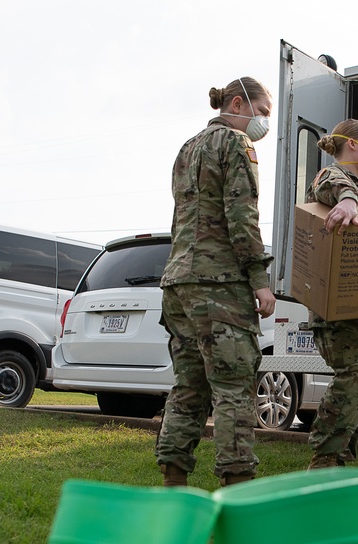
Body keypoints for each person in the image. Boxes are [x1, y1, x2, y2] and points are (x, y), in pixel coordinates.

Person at [155, 77, 276, 487]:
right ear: (238, 104)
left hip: (177, 283)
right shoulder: (236, 145)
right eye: (262, 113)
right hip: (218, 284)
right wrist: (259, 279)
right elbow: (242, 216)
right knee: (233, 387)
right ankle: (236, 484)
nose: (263, 124)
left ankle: (173, 479)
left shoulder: (186, 147)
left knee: (188, 385)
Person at [304, 119, 358, 470]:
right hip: (337, 306)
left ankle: (341, 458)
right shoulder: (331, 177)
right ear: (352, 144)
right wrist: (349, 201)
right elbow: (336, 188)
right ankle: (324, 457)